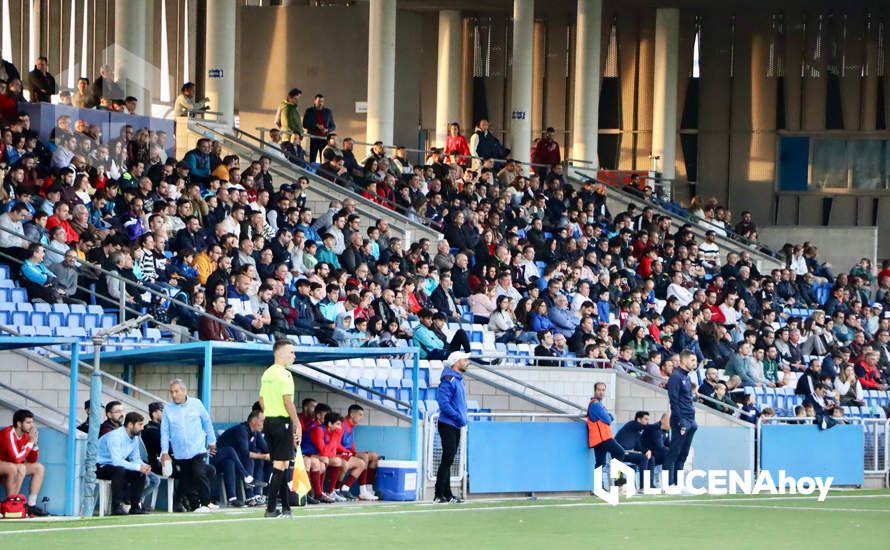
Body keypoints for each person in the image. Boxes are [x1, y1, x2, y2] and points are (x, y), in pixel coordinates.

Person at [160, 379, 218, 513]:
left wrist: (212, 441)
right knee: (186, 479)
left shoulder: (196, 404)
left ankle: (206, 502)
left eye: (176, 391)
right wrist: (164, 451)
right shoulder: (168, 409)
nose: (174, 395)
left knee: (199, 473)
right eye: (171, 392)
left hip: (197, 448)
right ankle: (195, 506)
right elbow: (164, 432)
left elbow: (207, 423)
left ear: (184, 391)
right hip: (180, 452)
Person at [259, 338, 301, 517]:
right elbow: (288, 401)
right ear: (281, 353)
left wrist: (270, 413)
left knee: (282, 465)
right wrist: (297, 423)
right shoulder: (285, 374)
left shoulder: (267, 373)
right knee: (280, 465)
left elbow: (261, 400)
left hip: (269, 422)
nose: (294, 355)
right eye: (291, 352)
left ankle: (285, 507)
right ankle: (270, 508)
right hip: (282, 422)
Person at [96, 412, 152, 515]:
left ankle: (135, 506)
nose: (142, 428)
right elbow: (117, 461)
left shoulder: (135, 438)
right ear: (130, 425)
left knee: (140, 473)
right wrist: (138, 466)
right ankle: (117, 507)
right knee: (120, 470)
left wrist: (143, 466)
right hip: (100, 466)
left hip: (115, 466)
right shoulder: (115, 436)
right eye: (140, 424)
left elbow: (135, 458)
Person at [434, 351, 470, 504]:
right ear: (456, 362)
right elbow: (444, 403)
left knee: (449, 460)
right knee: (447, 459)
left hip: (454, 424)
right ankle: (439, 493)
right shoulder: (449, 380)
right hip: (448, 424)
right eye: (464, 359)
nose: (467, 362)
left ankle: (447, 494)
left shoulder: (458, 380)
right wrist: (458, 416)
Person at [0, 409, 47, 516]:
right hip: (3, 463)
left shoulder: (26, 435)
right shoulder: (8, 433)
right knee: (17, 467)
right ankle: (11, 505)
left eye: (32, 422)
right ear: (19, 424)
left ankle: (31, 506)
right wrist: (30, 443)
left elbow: (32, 460)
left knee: (38, 468)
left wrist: (34, 444)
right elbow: (16, 458)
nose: (32, 426)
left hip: (12, 464)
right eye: (28, 422)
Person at [213, 410, 264, 507]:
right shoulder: (241, 430)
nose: (263, 424)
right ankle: (247, 478)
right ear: (253, 421)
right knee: (230, 450)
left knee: (231, 463)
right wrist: (263, 456)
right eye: (262, 421)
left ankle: (235, 499)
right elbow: (245, 452)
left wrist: (270, 455)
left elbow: (259, 449)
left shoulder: (254, 432)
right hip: (215, 457)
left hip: (230, 460)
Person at [663, 349, 698, 487]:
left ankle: (678, 484)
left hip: (690, 420)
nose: (694, 363)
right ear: (683, 360)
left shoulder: (687, 377)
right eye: (692, 360)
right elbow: (674, 401)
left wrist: (692, 420)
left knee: (683, 454)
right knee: (674, 453)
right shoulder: (676, 377)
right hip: (681, 420)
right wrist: (680, 420)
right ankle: (668, 484)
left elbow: (687, 400)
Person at [338, 404, 379, 501]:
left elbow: (351, 443)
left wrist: (354, 452)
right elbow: (336, 444)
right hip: (340, 453)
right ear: (352, 415)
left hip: (348, 453)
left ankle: (368, 488)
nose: (361, 417)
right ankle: (362, 491)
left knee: (374, 456)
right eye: (360, 414)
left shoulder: (352, 425)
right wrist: (349, 452)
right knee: (364, 457)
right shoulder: (342, 425)